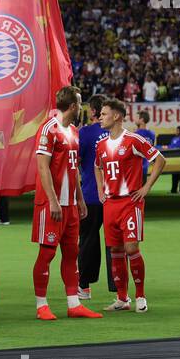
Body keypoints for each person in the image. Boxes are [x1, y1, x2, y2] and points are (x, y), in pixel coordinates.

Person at [31, 86, 101, 320]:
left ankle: (74, 304)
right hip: (51, 204)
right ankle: (42, 306)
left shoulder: (73, 131)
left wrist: (79, 199)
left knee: (71, 253)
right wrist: (52, 201)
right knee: (47, 253)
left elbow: (73, 170)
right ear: (73, 106)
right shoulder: (48, 129)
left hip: (70, 204)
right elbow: (42, 166)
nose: (81, 107)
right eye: (80, 103)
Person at [94, 98, 164, 312]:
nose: (100, 117)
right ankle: (122, 299)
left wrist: (146, 187)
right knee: (115, 249)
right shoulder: (102, 145)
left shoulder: (133, 140)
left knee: (131, 247)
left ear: (116, 116)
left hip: (130, 203)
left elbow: (160, 159)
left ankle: (140, 296)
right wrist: (100, 190)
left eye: (104, 114)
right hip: (110, 205)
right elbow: (98, 167)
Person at [76, 94, 111, 300]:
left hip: (90, 194)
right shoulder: (114, 133)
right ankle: (119, 289)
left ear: (92, 111)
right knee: (116, 243)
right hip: (115, 195)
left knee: (88, 240)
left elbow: (76, 160)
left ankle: (85, 287)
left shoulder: (85, 133)